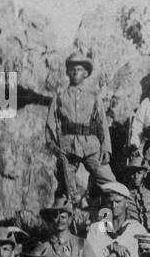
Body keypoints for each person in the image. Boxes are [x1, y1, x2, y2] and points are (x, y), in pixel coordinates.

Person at [45, 51, 116, 205]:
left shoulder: (94, 95)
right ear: (68, 72)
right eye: (73, 69)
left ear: (86, 73)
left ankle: (120, 220)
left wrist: (106, 148)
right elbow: (50, 125)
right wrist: (55, 148)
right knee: (64, 190)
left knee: (111, 184)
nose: (76, 71)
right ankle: (63, 224)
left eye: (80, 69)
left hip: (91, 146)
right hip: (67, 148)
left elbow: (102, 123)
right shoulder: (60, 96)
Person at [38, 197, 102, 257]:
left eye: (63, 217)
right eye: (56, 216)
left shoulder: (81, 244)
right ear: (51, 219)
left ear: (70, 219)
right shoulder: (45, 246)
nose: (59, 220)